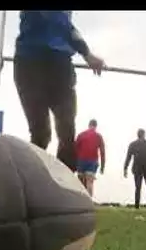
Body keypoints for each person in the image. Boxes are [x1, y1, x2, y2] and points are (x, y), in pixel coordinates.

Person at [14, 11, 105, 172]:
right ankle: (32, 178)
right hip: (31, 65)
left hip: (60, 65)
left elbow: (67, 25)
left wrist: (86, 52)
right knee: (41, 134)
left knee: (67, 132)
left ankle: (63, 181)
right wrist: (86, 53)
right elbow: (58, 20)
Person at [124, 129, 146, 209]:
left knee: (138, 187)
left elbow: (128, 157)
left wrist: (125, 168)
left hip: (137, 168)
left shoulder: (132, 144)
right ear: (144, 135)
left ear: (137, 135)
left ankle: (137, 206)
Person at [75, 119, 106, 197]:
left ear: (89, 125)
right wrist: (102, 166)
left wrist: (76, 162)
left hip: (81, 161)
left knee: (80, 183)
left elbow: (75, 149)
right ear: (95, 126)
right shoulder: (99, 136)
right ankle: (88, 202)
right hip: (92, 161)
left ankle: (81, 201)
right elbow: (102, 152)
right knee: (90, 182)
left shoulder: (81, 135)